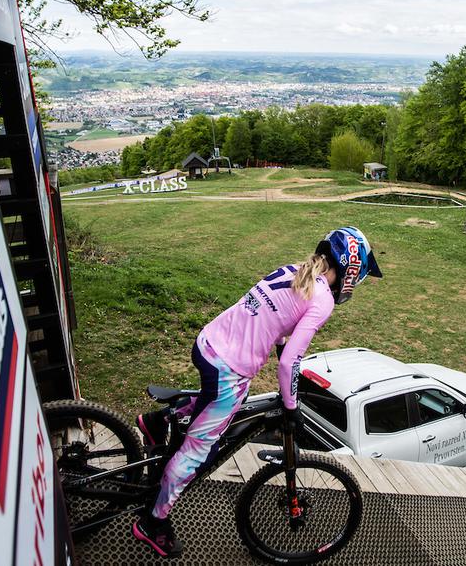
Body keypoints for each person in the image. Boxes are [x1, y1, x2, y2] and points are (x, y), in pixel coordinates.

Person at [132, 227, 382, 557]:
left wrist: (281, 353)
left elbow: (276, 319)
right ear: (352, 271)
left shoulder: (296, 271)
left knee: (221, 405)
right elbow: (290, 361)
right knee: (199, 450)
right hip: (229, 366)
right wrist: (292, 407)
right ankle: (152, 522)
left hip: (210, 342)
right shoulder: (322, 300)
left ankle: (159, 420)